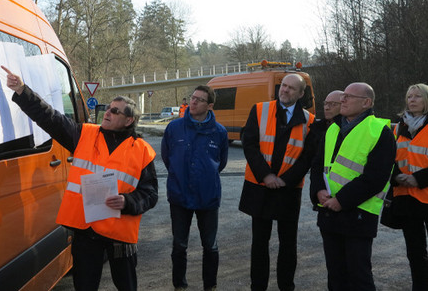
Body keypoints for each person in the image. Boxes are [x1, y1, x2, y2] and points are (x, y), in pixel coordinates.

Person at [1, 66, 158, 291]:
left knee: (127, 285)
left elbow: (151, 194)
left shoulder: (142, 150)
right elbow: (50, 118)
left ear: (129, 121)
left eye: (115, 111)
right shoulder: (85, 134)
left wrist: (127, 202)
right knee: (84, 285)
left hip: (120, 233)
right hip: (87, 231)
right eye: (108, 108)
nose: (107, 112)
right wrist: (22, 91)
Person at [310, 82, 396, 291]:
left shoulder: (380, 132)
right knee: (335, 275)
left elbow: (376, 177)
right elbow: (317, 165)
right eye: (343, 96)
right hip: (329, 213)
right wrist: (318, 191)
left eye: (349, 96)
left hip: (359, 215)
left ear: (366, 102)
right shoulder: (333, 128)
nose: (343, 100)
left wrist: (341, 200)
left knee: (359, 276)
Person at [239, 73, 316, 291]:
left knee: (288, 245)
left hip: (288, 190)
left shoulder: (309, 121)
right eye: (283, 86)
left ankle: (286, 286)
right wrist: (266, 176)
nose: (285, 90)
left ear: (301, 94)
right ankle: (258, 286)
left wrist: (284, 181)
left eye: (292, 88)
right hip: (261, 186)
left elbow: (307, 158)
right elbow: (250, 145)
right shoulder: (260, 109)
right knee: (259, 244)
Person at [161, 85, 229, 291]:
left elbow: (221, 162)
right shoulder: (174, 128)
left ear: (209, 106)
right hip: (179, 196)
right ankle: (179, 285)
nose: (193, 102)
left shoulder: (219, 132)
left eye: (199, 100)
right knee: (179, 245)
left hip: (207, 197)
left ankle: (210, 285)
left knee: (210, 245)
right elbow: (167, 157)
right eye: (192, 98)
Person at [390, 83, 428, 290]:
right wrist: (396, 176)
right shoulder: (397, 128)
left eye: (417, 96)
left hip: (425, 192)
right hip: (406, 196)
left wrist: (419, 179)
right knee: (415, 252)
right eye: (409, 96)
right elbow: (387, 159)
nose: (412, 100)